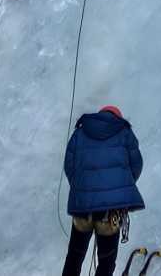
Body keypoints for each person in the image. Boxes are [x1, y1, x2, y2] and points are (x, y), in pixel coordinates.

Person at [61, 104, 144, 276]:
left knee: (75, 256)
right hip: (110, 212)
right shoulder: (124, 132)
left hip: (83, 209)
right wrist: (118, 190)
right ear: (117, 117)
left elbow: (69, 165)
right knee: (106, 261)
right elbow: (136, 165)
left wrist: (83, 189)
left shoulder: (80, 132)